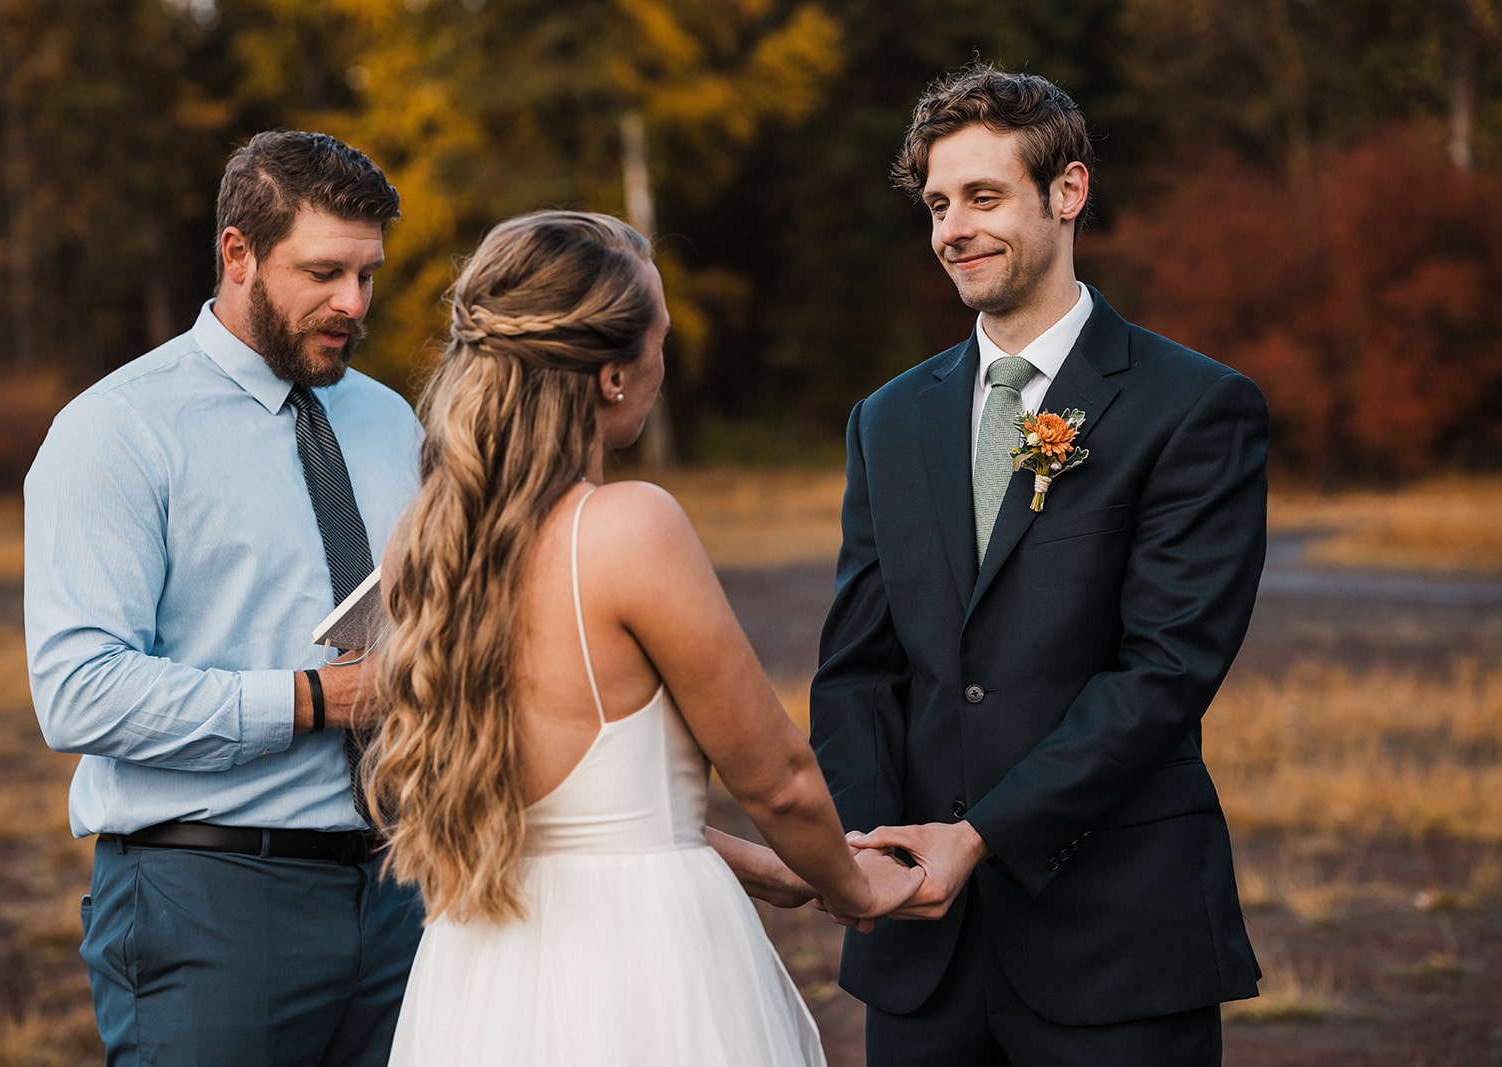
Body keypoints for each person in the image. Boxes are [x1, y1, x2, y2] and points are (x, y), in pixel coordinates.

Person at [365, 209, 922, 1065]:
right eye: (659, 336)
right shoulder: (628, 528)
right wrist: (855, 886)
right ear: (614, 375)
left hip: (484, 968)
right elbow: (777, 779)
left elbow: (582, 809)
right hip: (641, 965)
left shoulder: (432, 541)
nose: (668, 357)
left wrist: (763, 866)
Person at [809, 64, 1268, 1064]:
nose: (951, 230)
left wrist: (978, 837)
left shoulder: (1193, 407)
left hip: (1115, 937)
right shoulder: (885, 421)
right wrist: (871, 848)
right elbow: (856, 669)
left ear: (1068, 192)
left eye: (982, 196)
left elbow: (1164, 672)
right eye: (936, 204)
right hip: (922, 952)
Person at [25, 130, 426, 1064]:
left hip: (405, 892)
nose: (352, 304)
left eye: (368, 276)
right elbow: (79, 689)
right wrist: (321, 699)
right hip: (207, 902)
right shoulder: (115, 432)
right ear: (237, 253)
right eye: (324, 272)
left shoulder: (391, 419)